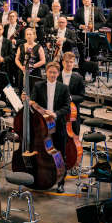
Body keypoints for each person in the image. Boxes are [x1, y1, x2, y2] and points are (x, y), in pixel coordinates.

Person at [21, 62, 70, 192]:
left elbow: (66, 107)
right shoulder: (38, 86)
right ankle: (41, 178)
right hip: (42, 126)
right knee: (42, 153)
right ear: (46, 73)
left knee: (60, 154)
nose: (52, 75)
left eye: (55, 73)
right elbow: (33, 103)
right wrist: (28, 101)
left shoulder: (63, 88)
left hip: (58, 126)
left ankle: (61, 182)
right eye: (50, 72)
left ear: (58, 74)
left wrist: (55, 114)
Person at [59, 52, 85, 136]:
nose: (69, 64)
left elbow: (82, 97)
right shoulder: (56, 76)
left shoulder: (79, 78)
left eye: (71, 62)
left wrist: (70, 98)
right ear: (63, 62)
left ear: (74, 63)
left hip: (72, 114)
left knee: (73, 138)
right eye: (67, 62)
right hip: (58, 113)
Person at [14, 27, 46, 93]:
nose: (29, 36)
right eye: (27, 34)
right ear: (25, 36)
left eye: (30, 34)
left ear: (34, 36)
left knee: (33, 92)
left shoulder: (39, 47)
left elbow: (43, 61)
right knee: (22, 92)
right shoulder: (21, 46)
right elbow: (16, 59)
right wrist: (21, 67)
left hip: (34, 72)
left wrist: (32, 66)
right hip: (22, 71)